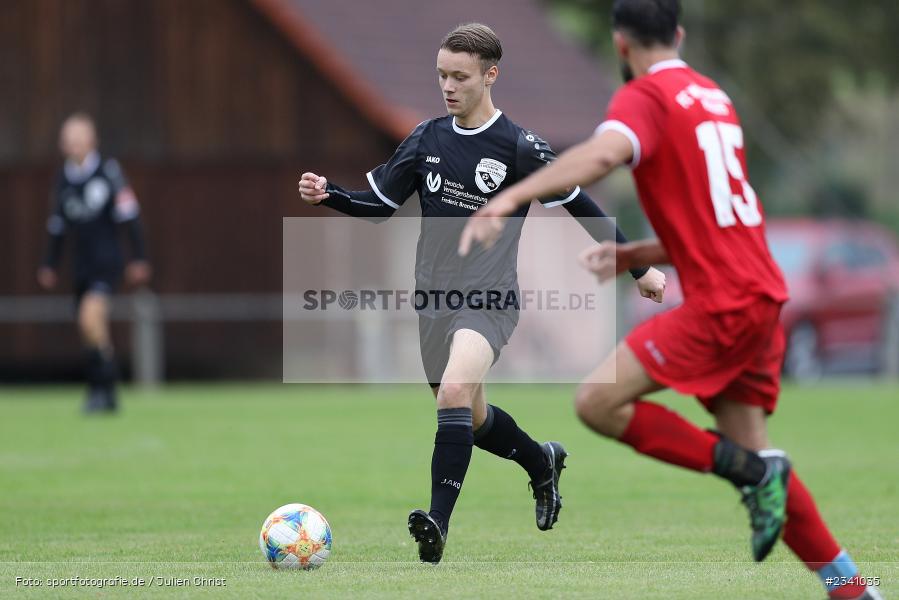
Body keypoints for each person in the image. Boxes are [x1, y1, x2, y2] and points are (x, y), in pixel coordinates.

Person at [459, 2, 881, 598]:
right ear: (678, 35)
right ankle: (854, 588)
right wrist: (637, 255)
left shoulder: (642, 99)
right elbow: (720, 219)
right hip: (761, 293)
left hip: (723, 302)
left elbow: (602, 155)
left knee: (597, 403)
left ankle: (760, 474)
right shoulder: (713, 97)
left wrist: (510, 196)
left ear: (620, 45)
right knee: (751, 457)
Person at [298, 23, 666, 563]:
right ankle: (541, 462)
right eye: (442, 75)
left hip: (489, 298)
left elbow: (578, 201)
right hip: (433, 302)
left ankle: (436, 525)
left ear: (490, 75)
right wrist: (331, 194)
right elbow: (379, 206)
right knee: (470, 419)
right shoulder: (425, 139)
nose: (448, 86)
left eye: (460, 76)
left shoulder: (518, 146)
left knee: (451, 395)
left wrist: (637, 266)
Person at [37, 113, 151, 413]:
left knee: (91, 319)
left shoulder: (109, 172)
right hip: (81, 265)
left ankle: (102, 390)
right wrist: (49, 264)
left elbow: (131, 215)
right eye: (69, 138)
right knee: (91, 329)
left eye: (79, 137)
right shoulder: (63, 179)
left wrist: (139, 257)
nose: (74, 143)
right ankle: (105, 391)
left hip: (107, 262)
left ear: (92, 140)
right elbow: (57, 226)